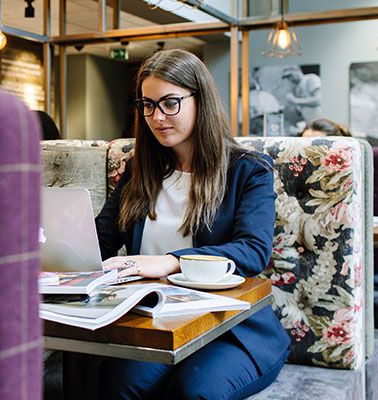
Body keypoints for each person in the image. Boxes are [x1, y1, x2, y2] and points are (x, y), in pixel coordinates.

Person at [94, 49, 290, 399]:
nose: (157, 117)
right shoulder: (138, 172)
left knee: (193, 392)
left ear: (201, 101)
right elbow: (98, 241)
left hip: (229, 325)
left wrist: (172, 260)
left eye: (170, 103)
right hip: (157, 322)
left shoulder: (248, 170)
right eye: (148, 105)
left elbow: (253, 250)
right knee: (114, 381)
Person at [281, 66, 322, 133]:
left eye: (291, 75)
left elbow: (319, 100)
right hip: (311, 125)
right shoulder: (297, 87)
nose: (290, 78)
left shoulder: (311, 79)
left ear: (298, 71)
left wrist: (295, 100)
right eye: (287, 77)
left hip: (321, 123)